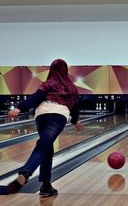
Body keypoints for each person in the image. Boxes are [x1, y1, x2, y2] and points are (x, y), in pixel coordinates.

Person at [8, 59, 84, 197]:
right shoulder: (71, 87)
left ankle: (46, 186)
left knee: (47, 148)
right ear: (65, 70)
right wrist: (75, 121)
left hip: (41, 115)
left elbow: (37, 97)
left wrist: (20, 107)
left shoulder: (48, 83)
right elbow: (75, 106)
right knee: (44, 146)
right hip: (58, 116)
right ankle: (26, 173)